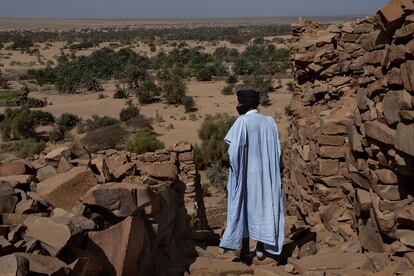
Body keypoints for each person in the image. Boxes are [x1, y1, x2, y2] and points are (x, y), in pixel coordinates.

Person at [219, 89, 285, 262]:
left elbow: (233, 151)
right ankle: (261, 248)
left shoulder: (242, 121)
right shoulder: (269, 122)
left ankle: (246, 249)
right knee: (264, 206)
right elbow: (277, 151)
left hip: (247, 174)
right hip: (266, 175)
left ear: (242, 104)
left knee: (244, 207)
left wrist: (236, 171)